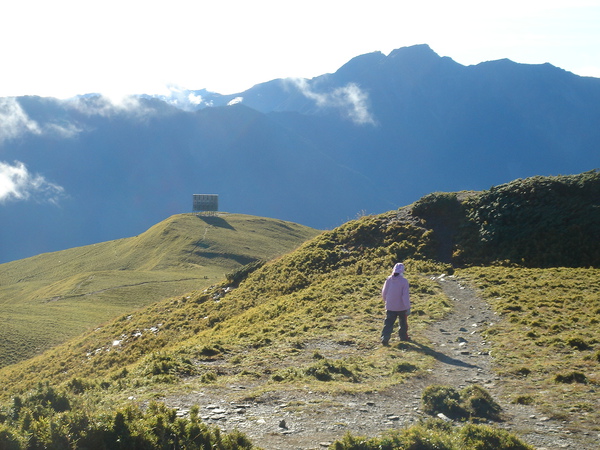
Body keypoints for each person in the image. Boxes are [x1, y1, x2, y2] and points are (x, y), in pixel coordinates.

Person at [380, 262, 411, 345]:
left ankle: (385, 338)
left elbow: (384, 292)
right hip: (401, 308)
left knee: (388, 323)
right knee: (403, 323)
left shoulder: (389, 279)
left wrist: (386, 301)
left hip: (390, 306)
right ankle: (403, 337)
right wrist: (407, 307)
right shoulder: (404, 281)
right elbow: (405, 296)